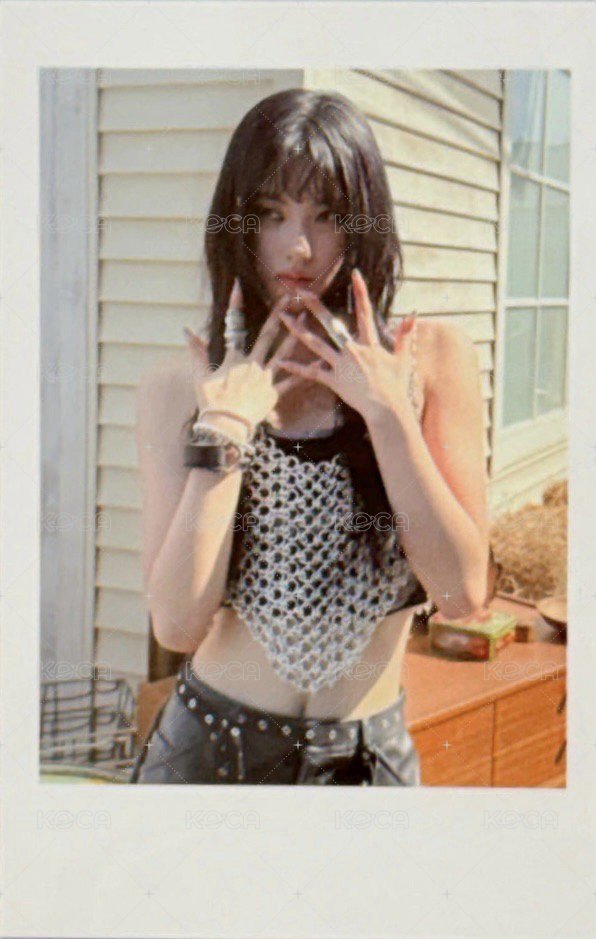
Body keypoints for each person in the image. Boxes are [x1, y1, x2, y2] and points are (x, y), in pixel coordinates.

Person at [129, 88, 490, 785]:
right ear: (238, 223)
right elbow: (176, 624)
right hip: (210, 757)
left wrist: (389, 416)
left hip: (368, 762)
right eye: (271, 214)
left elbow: (462, 593)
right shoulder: (181, 385)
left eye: (326, 216)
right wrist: (225, 431)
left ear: (364, 225)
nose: (298, 248)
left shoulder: (431, 359)